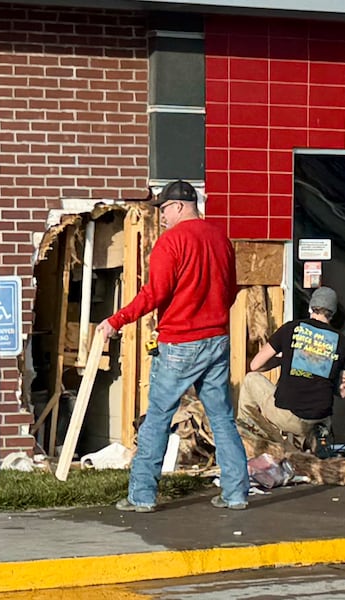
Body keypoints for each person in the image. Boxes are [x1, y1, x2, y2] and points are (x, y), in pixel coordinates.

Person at [96, 180, 250, 512]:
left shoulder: (171, 243)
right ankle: (236, 493)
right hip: (217, 340)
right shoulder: (221, 240)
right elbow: (232, 289)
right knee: (222, 418)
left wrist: (115, 321)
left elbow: (155, 294)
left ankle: (142, 496)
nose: (162, 217)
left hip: (180, 342)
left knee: (157, 419)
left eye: (164, 210)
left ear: (180, 206)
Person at [243, 287, 345, 455]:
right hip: (321, 419)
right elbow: (343, 392)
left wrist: (282, 360)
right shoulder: (343, 342)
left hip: (289, 416)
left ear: (311, 308)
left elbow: (255, 365)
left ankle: (247, 436)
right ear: (333, 313)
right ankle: (313, 438)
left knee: (251, 379)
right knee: (310, 410)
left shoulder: (291, 328)